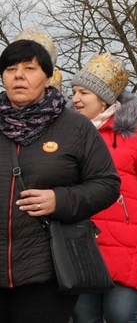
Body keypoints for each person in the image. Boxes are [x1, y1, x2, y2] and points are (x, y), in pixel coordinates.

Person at [0, 38, 120, 323]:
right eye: (11, 68)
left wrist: (60, 200)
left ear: (48, 77)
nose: (18, 75)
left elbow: (107, 184)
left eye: (29, 68)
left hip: (47, 272)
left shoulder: (74, 126)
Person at [70, 53, 137, 323]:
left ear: (103, 98)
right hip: (82, 244)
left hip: (128, 243)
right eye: (73, 91)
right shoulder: (68, 134)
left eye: (83, 92)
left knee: (120, 314)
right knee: (84, 316)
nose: (75, 99)